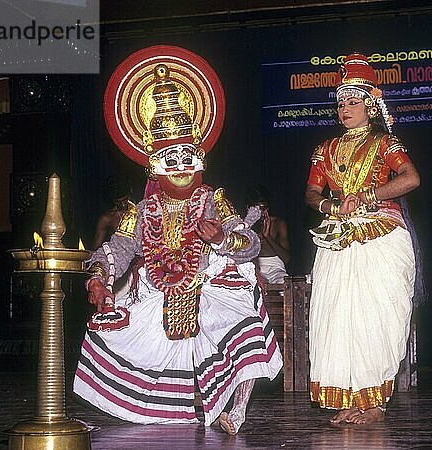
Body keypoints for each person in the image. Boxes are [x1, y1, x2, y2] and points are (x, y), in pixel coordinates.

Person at [73, 46, 282, 435]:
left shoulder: (213, 199)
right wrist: (98, 277)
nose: (182, 168)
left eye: (188, 157)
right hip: (158, 285)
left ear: (200, 158)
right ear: (154, 164)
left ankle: (235, 409)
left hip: (206, 281)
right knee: (129, 334)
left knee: (240, 315)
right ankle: (183, 406)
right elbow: (119, 247)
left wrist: (221, 237)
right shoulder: (142, 208)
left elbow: (251, 245)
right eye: (171, 159)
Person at [304, 53, 420, 425]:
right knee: (336, 315)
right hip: (337, 235)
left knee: (375, 315)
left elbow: (411, 178)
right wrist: (329, 205)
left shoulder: (386, 143)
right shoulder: (325, 149)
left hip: (380, 234)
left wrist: (369, 196)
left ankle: (376, 403)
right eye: (340, 102)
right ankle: (350, 397)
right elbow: (310, 193)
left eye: (353, 101)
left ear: (371, 106)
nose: (344, 108)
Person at [245, 184, 290, 284]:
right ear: (248, 208)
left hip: (276, 270)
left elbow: (286, 259)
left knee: (284, 284)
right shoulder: (244, 227)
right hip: (253, 270)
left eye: (263, 208)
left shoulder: (278, 224)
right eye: (257, 209)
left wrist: (267, 237)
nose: (261, 213)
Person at [91, 176, 134, 250]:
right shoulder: (107, 219)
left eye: (125, 199)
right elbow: (96, 248)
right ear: (113, 201)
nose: (123, 205)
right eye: (118, 202)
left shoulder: (141, 210)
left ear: (130, 194)